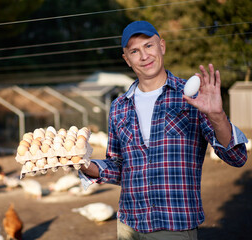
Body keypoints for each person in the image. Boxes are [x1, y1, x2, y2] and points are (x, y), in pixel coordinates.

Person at [79, 20, 248, 240]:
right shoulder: (119, 106)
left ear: (162, 47)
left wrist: (217, 116)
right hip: (128, 226)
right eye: (134, 51)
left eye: (149, 45)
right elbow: (120, 167)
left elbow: (237, 157)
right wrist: (83, 164)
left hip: (173, 226)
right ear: (127, 59)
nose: (144, 55)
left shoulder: (192, 97)